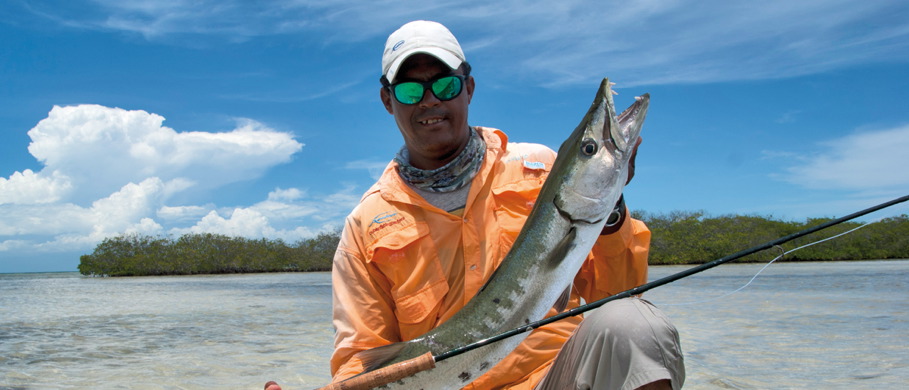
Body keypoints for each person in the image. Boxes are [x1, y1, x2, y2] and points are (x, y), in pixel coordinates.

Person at [268, 20, 684, 390]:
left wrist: (609, 208)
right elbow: (363, 356)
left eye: (445, 84)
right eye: (410, 89)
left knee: (633, 324)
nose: (429, 100)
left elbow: (619, 293)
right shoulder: (366, 226)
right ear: (387, 101)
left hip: (556, 377)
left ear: (468, 88)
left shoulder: (539, 170)